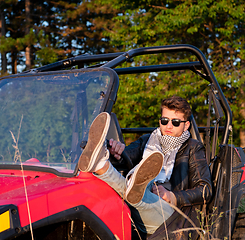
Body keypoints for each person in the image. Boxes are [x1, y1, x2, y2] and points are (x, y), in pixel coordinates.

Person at [78, 96, 212, 239]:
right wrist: (115, 151)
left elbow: (205, 189)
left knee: (133, 192)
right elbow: (126, 156)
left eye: (176, 122)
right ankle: (118, 171)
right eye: (165, 120)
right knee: (136, 192)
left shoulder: (193, 148)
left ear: (186, 125)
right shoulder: (148, 140)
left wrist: (172, 196)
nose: (169, 126)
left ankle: (102, 167)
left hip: (172, 216)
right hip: (139, 207)